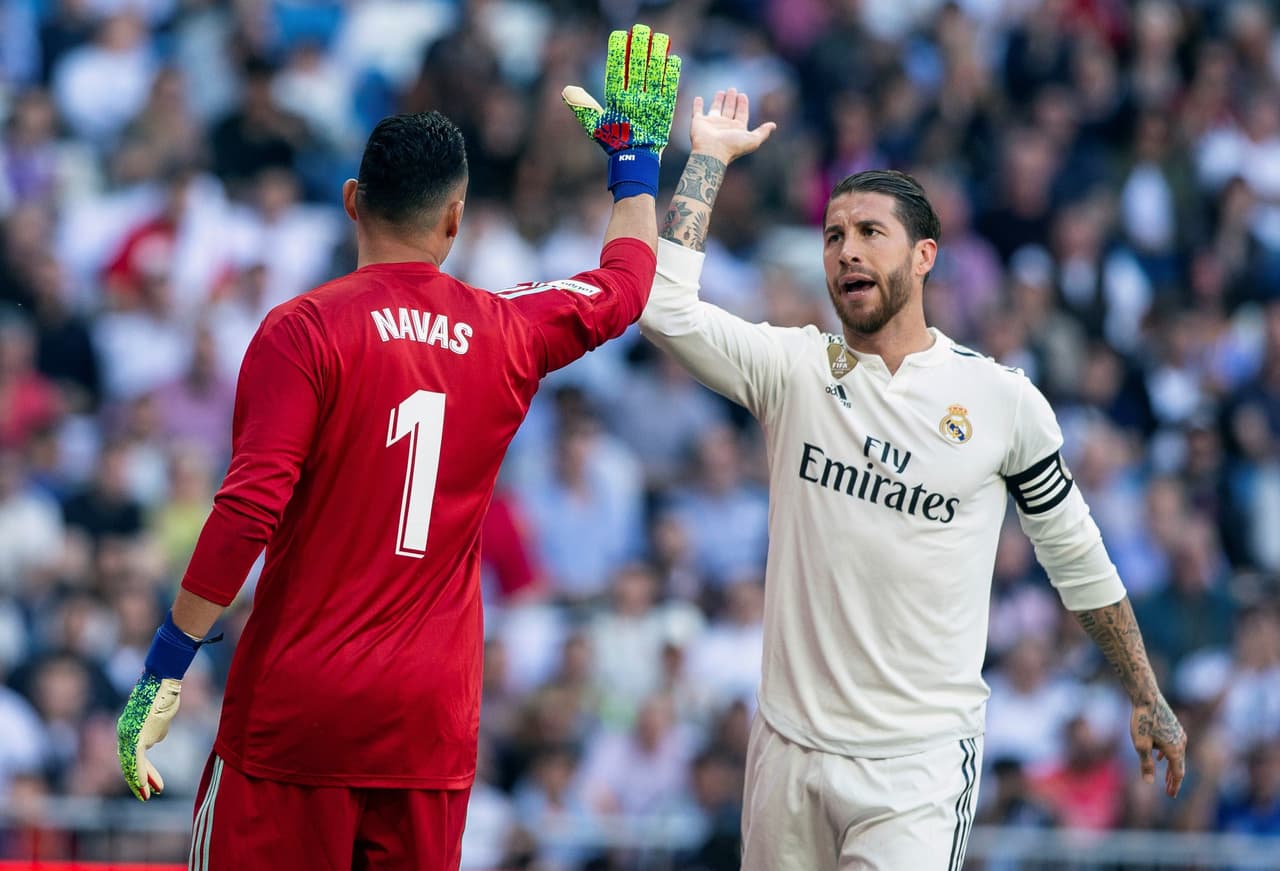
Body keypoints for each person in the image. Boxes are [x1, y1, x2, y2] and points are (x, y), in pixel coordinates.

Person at [114, 24, 680, 871]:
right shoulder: (507, 330)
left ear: (352, 200)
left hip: (295, 711)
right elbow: (626, 286)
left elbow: (250, 506)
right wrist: (634, 166)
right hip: (427, 720)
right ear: (455, 219)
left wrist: (167, 662)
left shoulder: (302, 330)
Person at [640, 88, 1188, 871]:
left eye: (871, 232)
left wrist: (1145, 691)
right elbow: (665, 311)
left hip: (917, 768)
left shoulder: (1000, 400)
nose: (847, 251)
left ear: (925, 255)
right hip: (786, 751)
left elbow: (1078, 558)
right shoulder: (793, 369)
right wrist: (708, 160)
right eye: (834, 236)